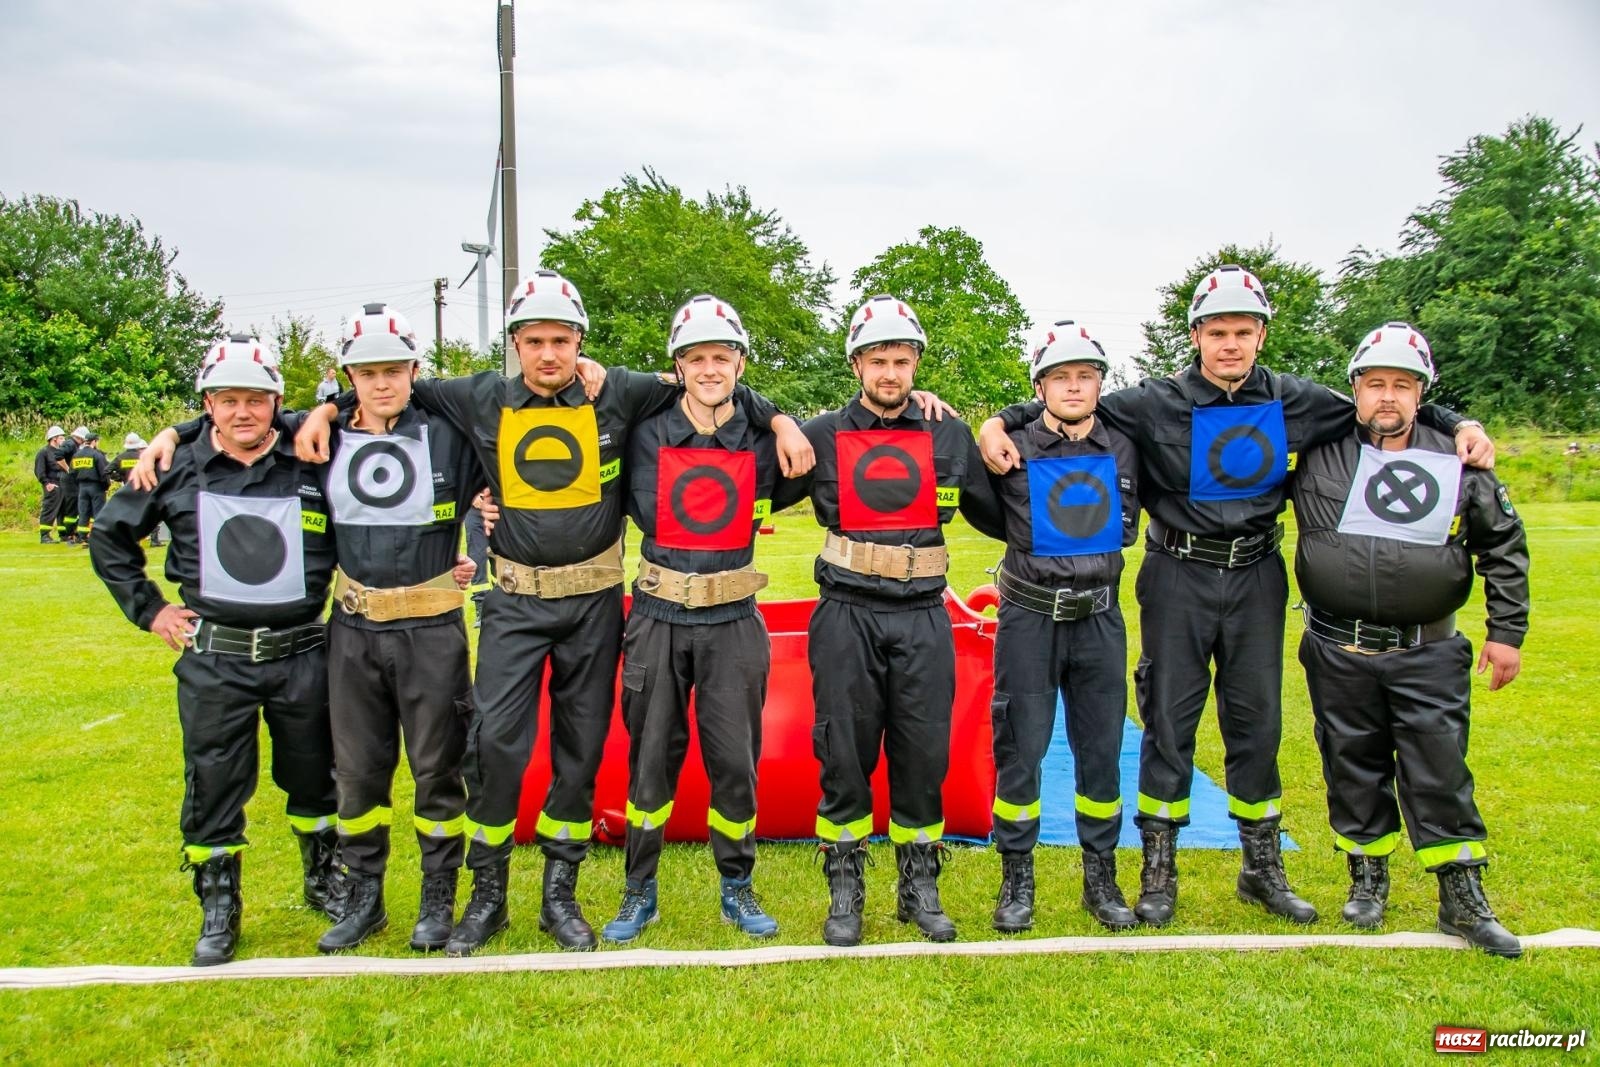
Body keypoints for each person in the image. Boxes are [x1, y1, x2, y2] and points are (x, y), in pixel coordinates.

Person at [294, 269, 814, 955]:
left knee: (579, 753)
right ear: (515, 343)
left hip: (594, 607)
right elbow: (388, 385)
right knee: (495, 747)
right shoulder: (477, 396)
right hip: (512, 603)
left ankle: (560, 897)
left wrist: (777, 415)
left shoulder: (621, 392)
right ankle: (486, 897)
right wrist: (324, 408)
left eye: (562, 340)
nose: (548, 353)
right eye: (534, 340)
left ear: (579, 343)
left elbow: (708, 379)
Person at [978, 265, 1495, 928]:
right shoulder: (1153, 401)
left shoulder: (1297, 400)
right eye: (1217, 331)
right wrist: (999, 419)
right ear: (1195, 335)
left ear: (1261, 335)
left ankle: (1262, 868)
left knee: (1257, 725)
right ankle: (1158, 872)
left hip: (1256, 575)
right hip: (1177, 575)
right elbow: (1067, 398)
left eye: (1242, 331)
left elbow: (1382, 403)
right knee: (1168, 721)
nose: (1230, 343)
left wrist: (1460, 422)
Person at [90, 335, 341, 966]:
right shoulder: (173, 465)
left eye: (255, 399)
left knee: (316, 777)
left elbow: (373, 410)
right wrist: (151, 611)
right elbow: (110, 536)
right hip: (214, 660)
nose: (241, 412)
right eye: (227, 400)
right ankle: (219, 904)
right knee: (214, 781)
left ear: (276, 402)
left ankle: (323, 878)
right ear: (207, 404)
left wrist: (326, 409)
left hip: (304, 654)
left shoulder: (312, 453)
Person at [1291, 322, 1528, 957]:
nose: (1387, 397)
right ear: (1355, 390)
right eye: (1375, 384)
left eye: (1403, 385)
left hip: (1427, 648)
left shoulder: (1459, 457)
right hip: (1336, 648)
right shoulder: (1319, 443)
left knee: (1439, 768)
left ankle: (1462, 895)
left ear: (1422, 394)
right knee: (1350, 763)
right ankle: (1367, 879)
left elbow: (1502, 547)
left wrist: (1506, 632)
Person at [776, 294, 1005, 946]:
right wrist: (777, 421)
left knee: (923, 753)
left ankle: (918, 885)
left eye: (902, 359)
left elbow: (1003, 506)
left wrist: (997, 428)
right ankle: (845, 888)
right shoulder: (820, 435)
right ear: (856, 364)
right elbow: (746, 477)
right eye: (879, 359)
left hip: (923, 614)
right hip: (847, 612)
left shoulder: (947, 434)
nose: (891, 371)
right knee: (842, 753)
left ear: (916, 365)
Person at [599, 295, 792, 944]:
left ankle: (737, 887)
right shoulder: (642, 431)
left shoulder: (766, 439)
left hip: (734, 619)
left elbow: (835, 441)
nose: (709, 368)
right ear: (677, 366)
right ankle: (638, 891)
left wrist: (783, 417)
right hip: (657, 617)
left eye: (721, 356)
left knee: (735, 763)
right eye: (695, 357)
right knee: (649, 762)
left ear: (740, 362)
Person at [986, 322, 1140, 933]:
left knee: (1101, 750)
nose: (1074, 387)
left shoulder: (1129, 441)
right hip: (1028, 616)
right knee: (1019, 747)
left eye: (1086, 376)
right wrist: (995, 420)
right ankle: (1016, 875)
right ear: (1040, 385)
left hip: (1100, 618)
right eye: (1060, 376)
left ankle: (1100, 875)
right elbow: (980, 504)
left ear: (1102, 383)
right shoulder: (1010, 444)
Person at [111, 433, 166, 547]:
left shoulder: (120, 457)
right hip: (145, 488)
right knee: (150, 512)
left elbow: (108, 470)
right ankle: (153, 539)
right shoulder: (143, 458)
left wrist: (121, 478)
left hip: (128, 489)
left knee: (129, 514)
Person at [71, 430, 111, 544]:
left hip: (82, 487)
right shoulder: (97, 455)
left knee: (83, 512)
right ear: (94, 441)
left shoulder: (76, 455)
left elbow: (73, 472)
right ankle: (98, 537)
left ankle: (83, 537)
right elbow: (104, 473)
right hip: (96, 487)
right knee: (98, 512)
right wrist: (106, 486)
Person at [34, 425, 68, 543]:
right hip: (52, 485)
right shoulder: (44, 452)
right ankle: (45, 536)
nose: (63, 440)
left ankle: (64, 534)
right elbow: (39, 470)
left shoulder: (60, 452)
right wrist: (46, 483)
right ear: (54, 439)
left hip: (63, 484)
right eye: (61, 438)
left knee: (63, 511)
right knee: (49, 509)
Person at [55, 426, 86, 544]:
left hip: (72, 480)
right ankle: (69, 534)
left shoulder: (74, 445)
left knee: (75, 507)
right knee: (71, 508)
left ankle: (73, 531)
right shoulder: (70, 444)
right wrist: (68, 469)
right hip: (68, 480)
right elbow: (58, 455)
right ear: (80, 438)